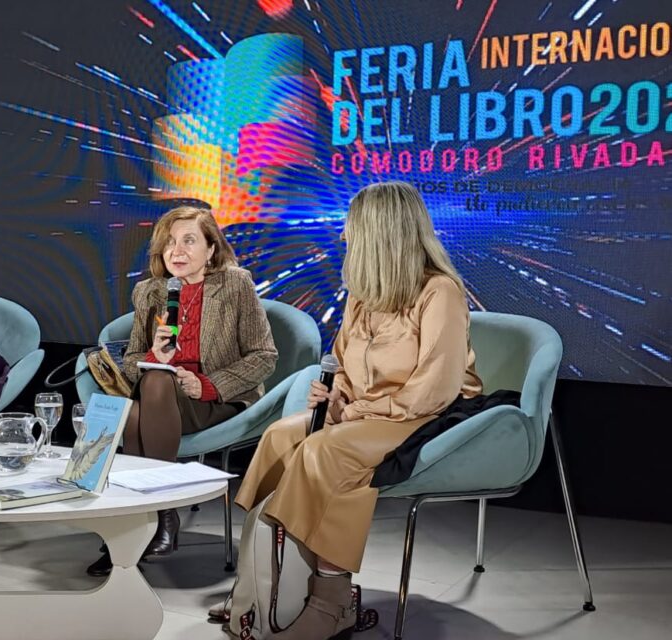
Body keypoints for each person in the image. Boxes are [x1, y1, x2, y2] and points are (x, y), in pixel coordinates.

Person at [229, 182, 482, 639]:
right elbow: (341, 363)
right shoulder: (364, 295)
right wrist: (336, 396)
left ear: (380, 232)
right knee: (281, 436)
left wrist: (359, 409)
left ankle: (330, 601)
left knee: (325, 451)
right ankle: (258, 586)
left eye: (352, 227)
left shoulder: (439, 292)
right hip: (367, 414)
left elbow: (435, 389)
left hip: (424, 417)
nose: (344, 236)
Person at [86, 206, 278, 576]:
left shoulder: (236, 284)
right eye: (169, 243)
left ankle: (143, 525)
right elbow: (131, 360)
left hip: (215, 401)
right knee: (142, 402)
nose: (176, 251)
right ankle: (156, 517)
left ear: (211, 248)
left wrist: (206, 385)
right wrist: (154, 356)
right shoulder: (149, 291)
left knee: (144, 402)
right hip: (161, 401)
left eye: (189, 241)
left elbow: (264, 356)